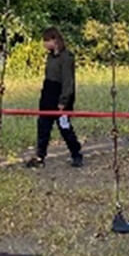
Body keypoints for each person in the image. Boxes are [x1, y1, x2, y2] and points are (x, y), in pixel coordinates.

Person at [28, 27, 83, 168]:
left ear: (55, 40)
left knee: (64, 127)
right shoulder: (50, 56)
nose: (44, 44)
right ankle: (40, 156)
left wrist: (63, 101)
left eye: (47, 41)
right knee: (43, 127)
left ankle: (76, 154)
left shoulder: (66, 58)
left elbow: (68, 81)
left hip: (61, 96)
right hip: (48, 94)